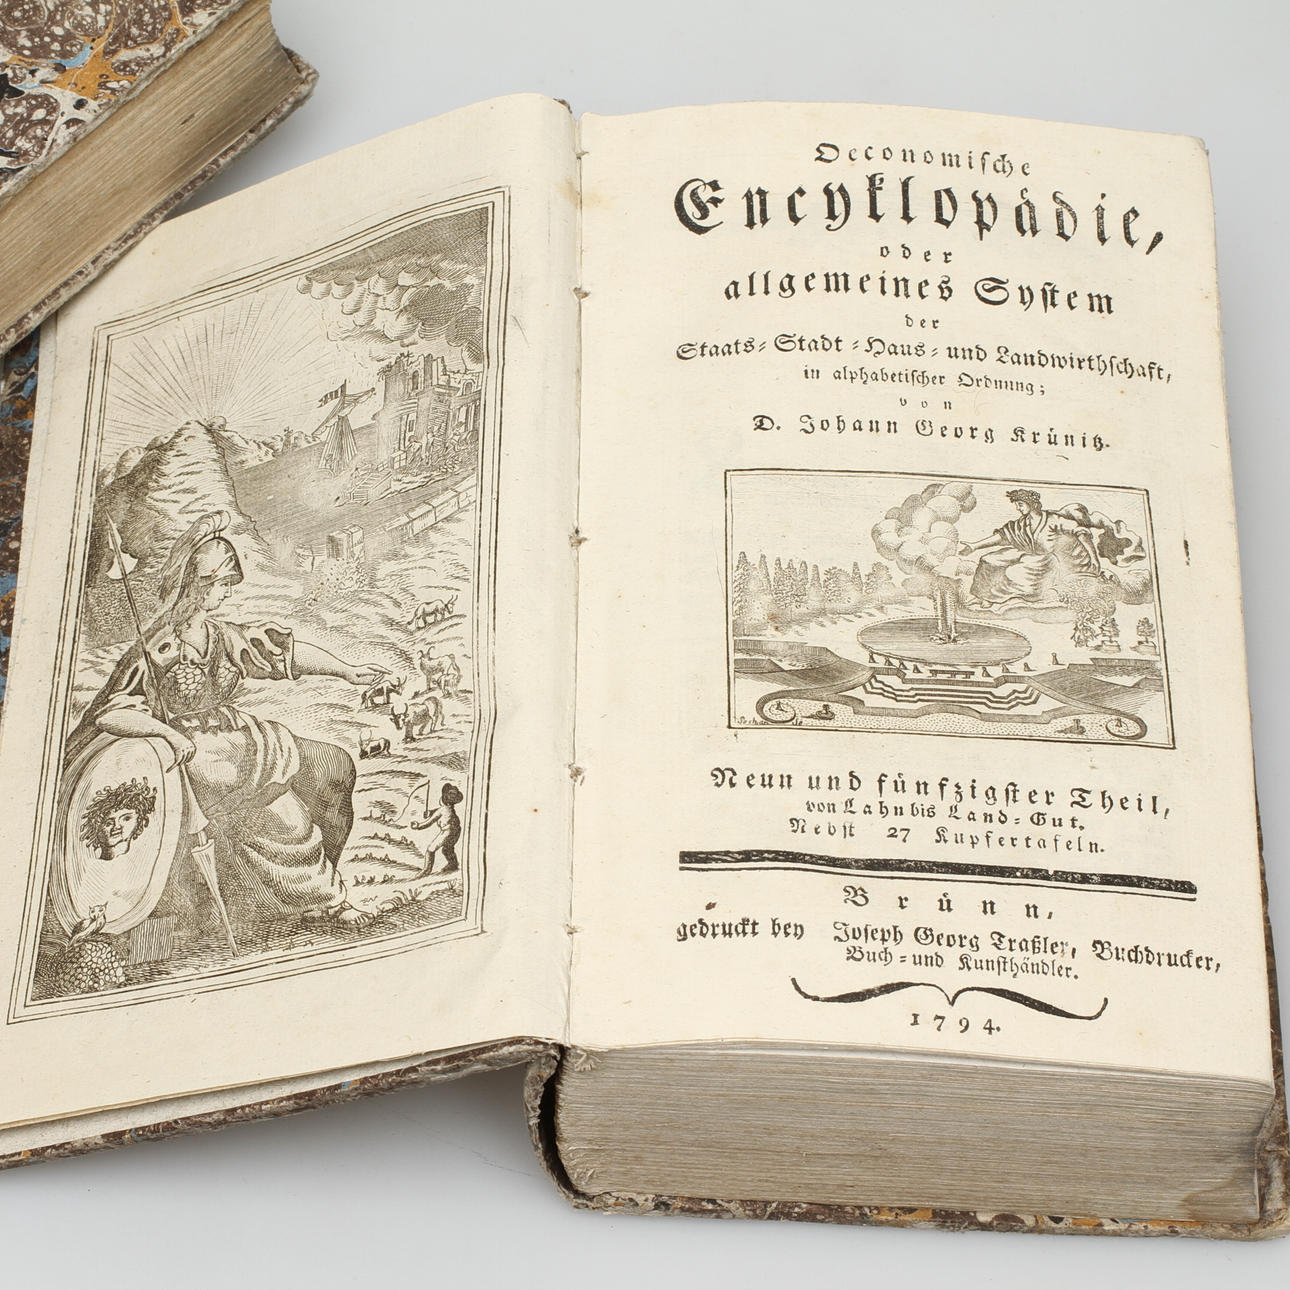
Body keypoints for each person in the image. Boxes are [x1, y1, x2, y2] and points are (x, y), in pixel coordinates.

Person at [66, 511, 389, 932]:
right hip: (196, 754)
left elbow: (282, 655)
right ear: (198, 584)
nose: (228, 593)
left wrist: (346, 670)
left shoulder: (220, 634)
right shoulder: (159, 648)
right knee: (287, 818)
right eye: (222, 584)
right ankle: (327, 901)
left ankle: (310, 900)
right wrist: (166, 733)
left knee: (331, 767)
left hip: (240, 737)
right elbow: (113, 712)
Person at [961, 488, 1103, 606]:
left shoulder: (1053, 520)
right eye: (1017, 505)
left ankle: (995, 599)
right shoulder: (1022, 523)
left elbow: (1081, 532)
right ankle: (981, 596)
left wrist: (1094, 558)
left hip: (1048, 561)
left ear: (1031, 504)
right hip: (1029, 555)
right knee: (988, 560)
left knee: (1015, 572)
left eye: (1020, 504)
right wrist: (974, 546)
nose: (1018, 508)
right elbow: (1003, 536)